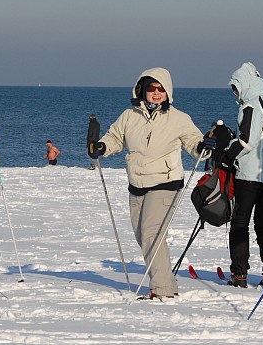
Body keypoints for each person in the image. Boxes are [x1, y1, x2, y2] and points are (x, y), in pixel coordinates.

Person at [88, 67, 207, 299]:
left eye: (161, 89)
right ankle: (167, 283)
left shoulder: (178, 118)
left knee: (152, 233)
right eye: (151, 88)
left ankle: (162, 290)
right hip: (137, 183)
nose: (156, 93)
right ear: (141, 90)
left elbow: (194, 142)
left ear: (168, 92)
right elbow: (115, 138)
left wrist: (203, 147)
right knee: (143, 236)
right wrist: (102, 146)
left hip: (166, 182)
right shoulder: (129, 116)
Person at [220, 62, 263, 289]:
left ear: (245, 85)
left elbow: (246, 141)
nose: (235, 93)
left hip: (250, 175)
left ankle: (239, 274)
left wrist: (228, 154)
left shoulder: (250, 106)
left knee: (240, 223)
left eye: (235, 88)